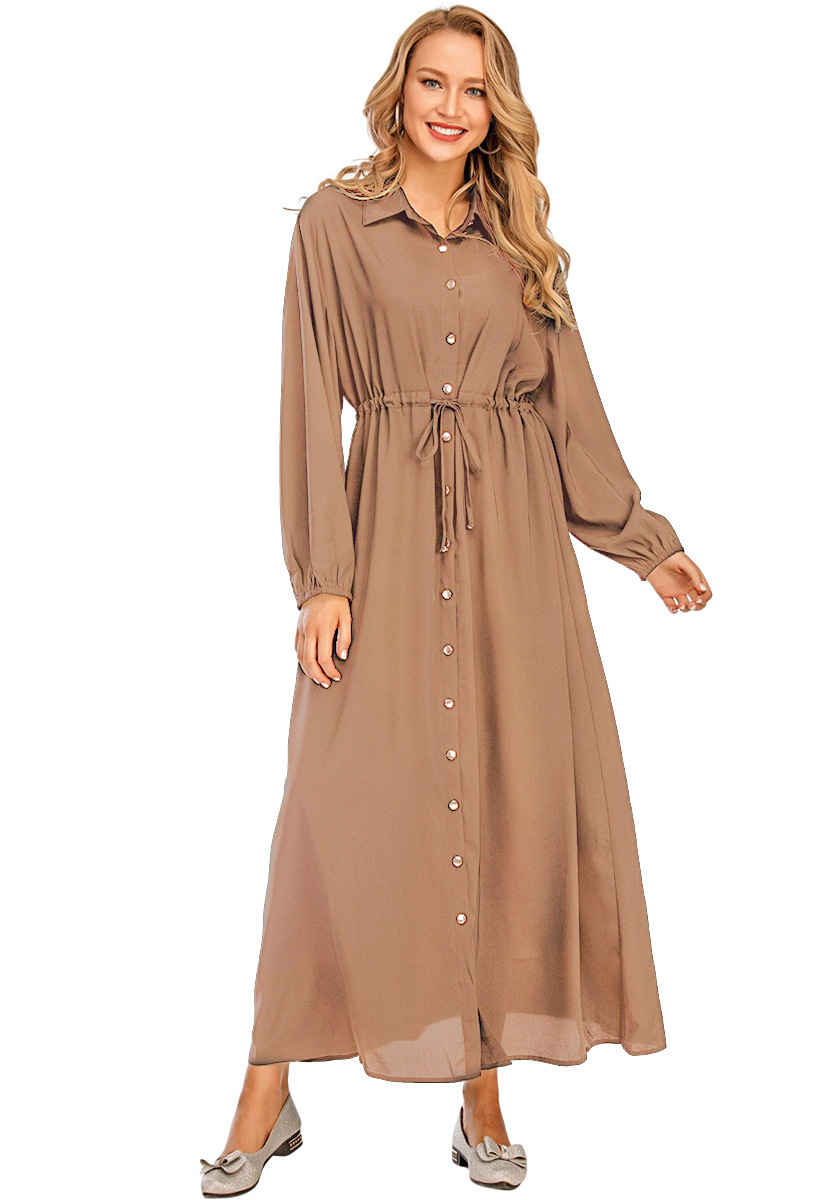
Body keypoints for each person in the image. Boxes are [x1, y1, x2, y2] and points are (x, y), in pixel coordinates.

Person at [200, 6, 711, 1193]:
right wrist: (323, 580)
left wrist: (645, 547)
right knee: (329, 813)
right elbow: (307, 400)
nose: (450, 107)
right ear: (399, 91)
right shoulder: (334, 223)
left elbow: (567, 409)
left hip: (514, 555)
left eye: (474, 90)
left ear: (497, 110)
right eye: (433, 82)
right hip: (382, 544)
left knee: (498, 808)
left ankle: (482, 1098)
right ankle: (267, 1088)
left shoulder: (521, 238)